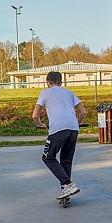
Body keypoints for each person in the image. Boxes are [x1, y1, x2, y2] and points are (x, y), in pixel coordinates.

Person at [32, 71, 87, 200]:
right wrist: (77, 123)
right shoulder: (69, 92)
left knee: (48, 157)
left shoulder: (45, 92)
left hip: (58, 128)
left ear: (47, 83)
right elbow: (83, 112)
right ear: (61, 82)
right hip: (73, 128)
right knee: (66, 160)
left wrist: (40, 124)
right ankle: (65, 189)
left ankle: (69, 184)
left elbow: (35, 115)